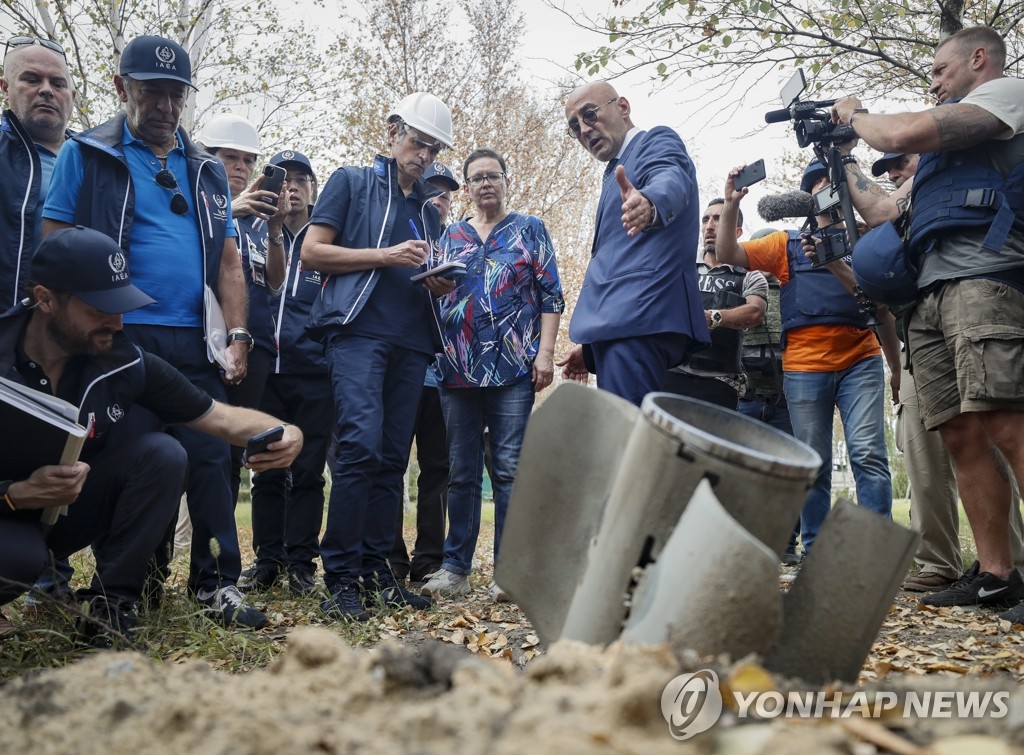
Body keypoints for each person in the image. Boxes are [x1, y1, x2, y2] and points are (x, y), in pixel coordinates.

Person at [41, 35, 263, 628]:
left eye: (175, 93)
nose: (165, 104)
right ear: (122, 88)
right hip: (121, 342)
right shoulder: (86, 155)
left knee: (212, 457)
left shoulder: (208, 171)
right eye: (151, 91)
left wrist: (238, 335)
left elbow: (229, 261)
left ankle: (217, 584)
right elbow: (53, 242)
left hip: (195, 341)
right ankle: (130, 588)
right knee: (143, 456)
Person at [0, 227, 302, 646]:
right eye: (99, 308)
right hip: (8, 518)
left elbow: (219, 417)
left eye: (122, 306)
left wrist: (290, 431)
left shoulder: (121, 359)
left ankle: (110, 608)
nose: (117, 322)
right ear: (46, 299)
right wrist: (14, 494)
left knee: (163, 454)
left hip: (64, 516)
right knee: (14, 561)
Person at [830, 26, 1024, 619]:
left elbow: (902, 130)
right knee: (962, 433)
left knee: (1008, 423)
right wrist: (841, 157)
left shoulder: (1006, 96)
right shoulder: (939, 161)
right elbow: (885, 209)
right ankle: (996, 575)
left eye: (941, 69)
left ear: (979, 59)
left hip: (988, 276)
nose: (933, 80)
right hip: (931, 294)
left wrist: (856, 114)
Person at [301, 92, 454, 621]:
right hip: (357, 334)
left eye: (433, 149)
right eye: (417, 142)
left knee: (393, 460)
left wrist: (439, 284)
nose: (423, 156)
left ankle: (375, 574)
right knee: (360, 449)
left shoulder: (429, 214)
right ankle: (339, 577)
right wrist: (384, 256)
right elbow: (312, 252)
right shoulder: (352, 182)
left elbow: (427, 277)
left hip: (412, 342)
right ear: (392, 133)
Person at [716, 159, 896, 553]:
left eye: (830, 182)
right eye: (815, 184)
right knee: (812, 464)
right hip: (804, 366)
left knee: (868, 453)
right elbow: (728, 253)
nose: (824, 189)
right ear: (803, 198)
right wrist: (730, 204)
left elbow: (882, 310)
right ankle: (815, 551)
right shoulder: (785, 244)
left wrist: (896, 371)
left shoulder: (869, 240)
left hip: (861, 360)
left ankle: (876, 554)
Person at [419, 149, 564, 600]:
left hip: (513, 371)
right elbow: (432, 297)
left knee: (509, 470)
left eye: (493, 176)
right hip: (456, 372)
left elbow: (551, 298)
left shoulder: (530, 230)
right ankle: (455, 569)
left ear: (505, 180)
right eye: (476, 177)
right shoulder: (450, 237)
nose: (485, 183)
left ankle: (511, 572)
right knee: (460, 472)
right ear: (466, 187)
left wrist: (544, 355)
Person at [557, 81, 709, 406]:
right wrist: (592, 346)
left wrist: (650, 204)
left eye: (589, 114)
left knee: (628, 441)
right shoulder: (613, 172)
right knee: (621, 441)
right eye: (575, 126)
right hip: (620, 329)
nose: (584, 129)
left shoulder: (655, 140)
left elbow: (672, 177)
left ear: (622, 108)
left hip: (639, 322)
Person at [1, 35, 78, 607]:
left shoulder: (88, 160)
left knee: (54, 456)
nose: (46, 91)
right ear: (6, 88)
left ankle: (52, 575)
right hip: (6, 326)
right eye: (32, 79)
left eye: (57, 83)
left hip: (63, 338)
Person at [246, 149, 331, 596]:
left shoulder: (328, 236)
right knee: (266, 469)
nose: (291, 187)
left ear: (313, 188)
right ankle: (267, 561)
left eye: (301, 179)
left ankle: (301, 564)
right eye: (284, 179)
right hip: (264, 369)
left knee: (309, 471)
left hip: (314, 371)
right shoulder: (255, 231)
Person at [197, 113, 287, 510]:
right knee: (203, 446)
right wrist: (229, 209)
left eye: (249, 159)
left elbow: (275, 282)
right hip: (207, 340)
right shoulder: (198, 204)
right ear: (208, 156)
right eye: (230, 156)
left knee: (236, 448)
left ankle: (220, 559)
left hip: (257, 342)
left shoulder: (258, 220)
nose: (241, 166)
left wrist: (274, 228)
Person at [391, 160, 460, 585]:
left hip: (444, 379)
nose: (440, 199)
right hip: (400, 372)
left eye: (447, 194)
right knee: (392, 465)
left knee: (438, 469)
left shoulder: (460, 243)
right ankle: (392, 558)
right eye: (432, 190)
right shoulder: (400, 236)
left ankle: (430, 558)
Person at [663, 198, 767, 409]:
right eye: (705, 219)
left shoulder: (750, 275)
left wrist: (714, 318)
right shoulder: (679, 267)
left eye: (718, 219)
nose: (709, 226)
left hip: (719, 386)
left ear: (736, 232)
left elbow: (755, 312)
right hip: (670, 376)